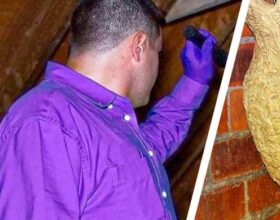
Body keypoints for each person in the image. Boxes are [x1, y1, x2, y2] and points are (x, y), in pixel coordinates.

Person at [0, 0, 216, 219]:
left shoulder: (104, 121)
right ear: (139, 47)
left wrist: (193, 81)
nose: (157, 65)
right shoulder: (46, 123)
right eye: (157, 53)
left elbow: (148, 148)